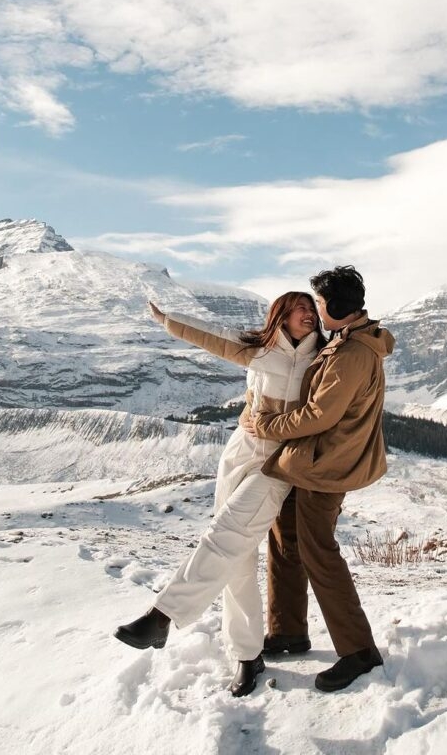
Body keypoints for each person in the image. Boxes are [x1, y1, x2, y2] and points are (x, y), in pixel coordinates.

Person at [114, 293, 325, 698]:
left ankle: (162, 615)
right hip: (240, 452)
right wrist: (167, 319)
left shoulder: (324, 356)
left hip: (279, 464)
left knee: (226, 535)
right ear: (280, 315)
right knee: (237, 557)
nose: (309, 315)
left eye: (312, 309)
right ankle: (247, 654)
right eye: (300, 308)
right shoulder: (259, 349)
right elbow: (212, 336)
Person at [244, 265, 394, 692]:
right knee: (285, 538)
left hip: (327, 466)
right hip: (314, 461)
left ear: (337, 307)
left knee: (318, 552)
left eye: (321, 304)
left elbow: (318, 415)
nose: (317, 310)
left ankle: (358, 651)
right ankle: (288, 631)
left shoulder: (351, 355)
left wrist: (266, 425)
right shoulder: (347, 342)